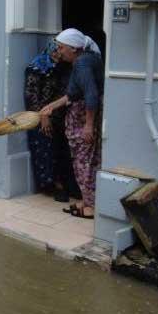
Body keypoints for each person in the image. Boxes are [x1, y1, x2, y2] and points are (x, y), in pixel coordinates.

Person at [39, 29, 104, 219]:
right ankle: (87, 200)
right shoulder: (86, 59)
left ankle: (90, 207)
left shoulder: (82, 63)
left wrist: (88, 125)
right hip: (83, 116)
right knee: (87, 161)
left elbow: (91, 96)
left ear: (74, 49)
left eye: (61, 47)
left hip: (83, 119)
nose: (59, 51)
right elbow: (73, 94)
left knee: (84, 162)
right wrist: (51, 106)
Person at [23, 41, 76, 202]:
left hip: (59, 115)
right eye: (55, 52)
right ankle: (52, 185)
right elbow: (31, 96)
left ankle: (66, 184)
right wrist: (43, 116)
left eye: (59, 51)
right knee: (45, 149)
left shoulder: (63, 67)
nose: (58, 55)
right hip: (41, 117)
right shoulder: (36, 68)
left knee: (61, 151)